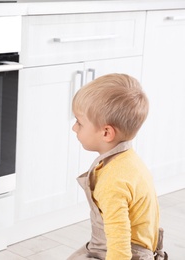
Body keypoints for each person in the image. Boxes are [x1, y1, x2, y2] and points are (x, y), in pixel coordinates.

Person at [68, 74, 167, 259]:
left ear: (106, 133)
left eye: (79, 123)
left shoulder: (112, 181)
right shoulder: (129, 161)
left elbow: (119, 244)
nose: (74, 128)